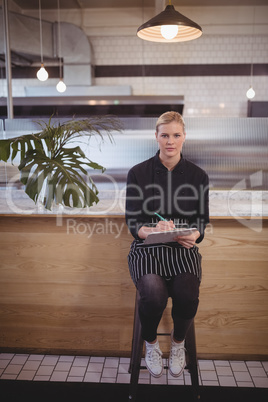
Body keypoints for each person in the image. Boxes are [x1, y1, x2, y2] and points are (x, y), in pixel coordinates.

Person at [125, 111, 209, 378]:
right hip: (147, 250)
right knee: (152, 293)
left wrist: (194, 234)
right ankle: (150, 344)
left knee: (187, 293)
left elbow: (201, 220)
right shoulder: (138, 173)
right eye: (164, 135)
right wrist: (150, 229)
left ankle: (177, 343)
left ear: (184, 137)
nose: (170, 141)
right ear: (156, 137)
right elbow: (133, 221)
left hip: (182, 251)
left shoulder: (198, 176)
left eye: (176, 135)